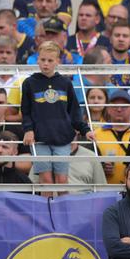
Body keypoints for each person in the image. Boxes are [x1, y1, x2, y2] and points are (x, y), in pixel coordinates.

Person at [21, 41, 94, 194]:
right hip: (40, 138)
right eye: (43, 59)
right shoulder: (29, 83)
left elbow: (74, 110)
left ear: (57, 62)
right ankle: (46, 210)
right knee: (46, 181)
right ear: (37, 60)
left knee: (62, 181)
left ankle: (63, 209)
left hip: (62, 138)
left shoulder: (65, 83)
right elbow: (26, 111)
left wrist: (85, 129)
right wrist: (28, 130)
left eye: (50, 60)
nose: (46, 64)